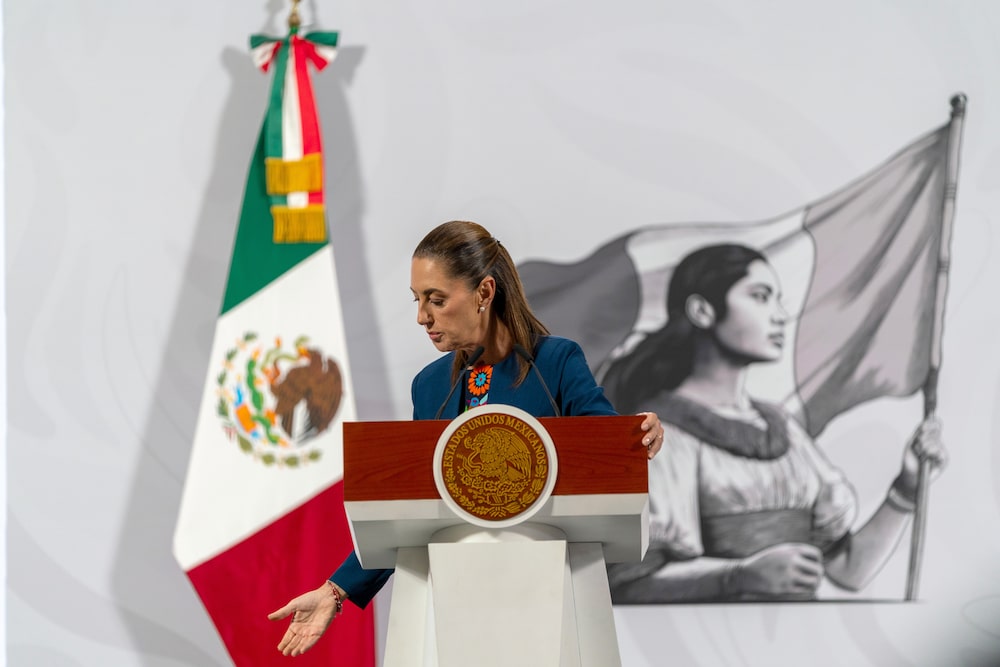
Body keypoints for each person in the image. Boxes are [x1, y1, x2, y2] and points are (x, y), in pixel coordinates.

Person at [268, 220, 665, 655]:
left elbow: (608, 451)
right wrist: (335, 591)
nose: (422, 317)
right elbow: (407, 509)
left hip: (546, 599)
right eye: (418, 300)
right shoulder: (430, 386)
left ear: (484, 292)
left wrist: (641, 434)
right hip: (448, 607)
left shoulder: (556, 362)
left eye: (436, 300)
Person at [603, 243, 947, 603]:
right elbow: (629, 583)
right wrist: (739, 576)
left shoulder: (783, 428)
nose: (781, 315)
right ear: (702, 311)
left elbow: (848, 570)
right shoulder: (658, 434)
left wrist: (906, 489)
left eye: (778, 299)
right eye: (760, 297)